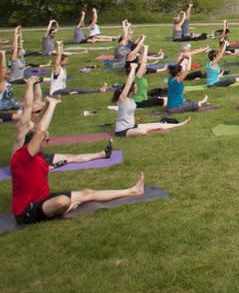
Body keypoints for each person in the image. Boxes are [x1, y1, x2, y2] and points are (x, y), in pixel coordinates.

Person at [9, 92, 146, 227]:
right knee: (62, 202)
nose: (47, 141)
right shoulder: (22, 157)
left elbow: (37, 126)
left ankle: (133, 190)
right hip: (27, 211)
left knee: (88, 193)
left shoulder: (38, 156)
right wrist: (51, 106)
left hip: (44, 199)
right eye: (46, 139)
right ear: (33, 143)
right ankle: (65, 207)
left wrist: (50, 105)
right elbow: (40, 131)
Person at [113, 59, 188, 137]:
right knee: (142, 132)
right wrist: (133, 69)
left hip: (132, 126)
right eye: (136, 87)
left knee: (158, 125)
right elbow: (129, 83)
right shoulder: (123, 99)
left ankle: (181, 124)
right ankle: (140, 130)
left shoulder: (132, 100)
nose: (137, 88)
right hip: (122, 130)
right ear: (131, 89)